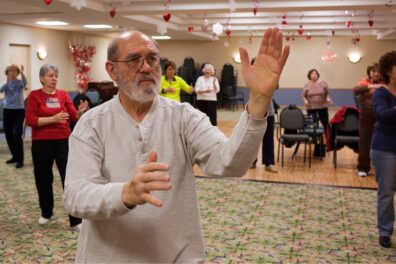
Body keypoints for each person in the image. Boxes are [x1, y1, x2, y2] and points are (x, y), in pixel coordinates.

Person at [63, 28, 289, 262]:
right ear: (112, 70)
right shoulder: (92, 123)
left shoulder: (183, 117)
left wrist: (260, 100)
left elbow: (229, 163)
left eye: (152, 58)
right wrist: (126, 193)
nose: (146, 67)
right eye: (133, 60)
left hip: (176, 256)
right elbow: (75, 196)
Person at [25, 64, 89, 230]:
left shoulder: (63, 95)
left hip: (63, 141)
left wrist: (81, 112)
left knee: (69, 179)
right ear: (42, 78)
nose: (54, 79)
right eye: (50, 76)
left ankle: (75, 220)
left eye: (55, 76)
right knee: (43, 178)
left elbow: (74, 116)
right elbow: (31, 120)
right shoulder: (34, 96)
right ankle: (46, 212)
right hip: (41, 142)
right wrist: (53, 119)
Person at [370, 50, 396, 249]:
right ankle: (385, 232)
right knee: (386, 192)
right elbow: (382, 114)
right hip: (385, 148)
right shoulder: (381, 92)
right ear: (389, 70)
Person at [353, 63, 382, 177]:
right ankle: (363, 168)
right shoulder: (364, 82)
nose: (375, 73)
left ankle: (380, 167)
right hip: (366, 115)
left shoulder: (385, 83)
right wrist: (371, 86)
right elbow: (355, 90)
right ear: (369, 72)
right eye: (373, 71)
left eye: (378, 71)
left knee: (381, 141)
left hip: (382, 115)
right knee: (365, 141)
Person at [0, 64, 27, 168]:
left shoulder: (20, 82)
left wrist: (23, 73)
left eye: (15, 71)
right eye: (10, 71)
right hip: (7, 110)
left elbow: (25, 83)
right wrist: (7, 81)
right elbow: (1, 90)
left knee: (17, 136)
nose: (12, 72)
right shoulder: (5, 82)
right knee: (8, 135)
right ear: (7, 73)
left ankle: (20, 160)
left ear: (17, 73)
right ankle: (14, 156)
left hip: (19, 111)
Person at [301, 68, 333, 157]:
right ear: (309, 76)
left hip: (322, 106)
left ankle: (328, 141)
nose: (314, 75)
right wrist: (305, 101)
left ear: (317, 75)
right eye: (312, 74)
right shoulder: (307, 85)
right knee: (312, 125)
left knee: (325, 124)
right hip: (311, 107)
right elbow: (303, 95)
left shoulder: (323, 83)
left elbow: (328, 93)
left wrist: (328, 98)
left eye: (315, 74)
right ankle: (313, 141)